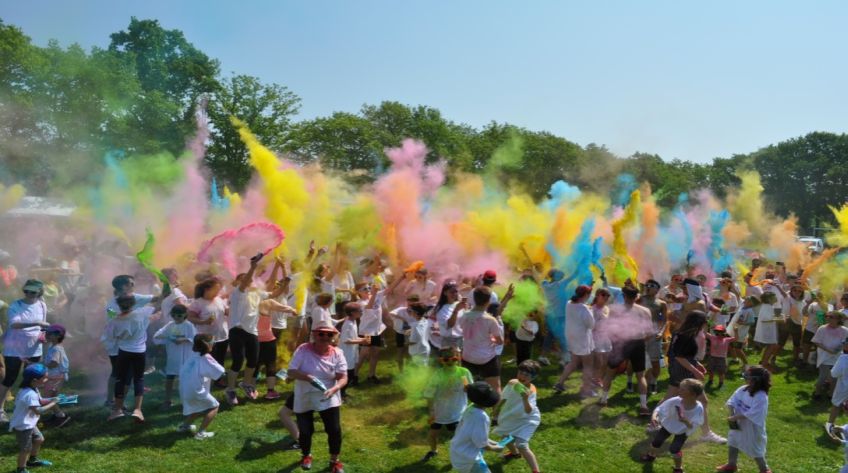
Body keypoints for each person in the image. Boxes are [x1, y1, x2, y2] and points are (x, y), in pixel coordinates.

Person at [287, 320, 348, 473]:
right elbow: (291, 371)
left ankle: (335, 461)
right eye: (321, 333)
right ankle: (306, 455)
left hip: (328, 395)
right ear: (314, 335)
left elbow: (343, 377)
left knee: (334, 430)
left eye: (329, 334)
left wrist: (336, 388)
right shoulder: (303, 349)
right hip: (305, 394)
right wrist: (308, 377)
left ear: (333, 337)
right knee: (306, 430)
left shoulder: (337, 353)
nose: (325, 337)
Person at [0, 279, 49, 423]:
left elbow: (43, 326)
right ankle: (0, 411)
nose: (29, 294)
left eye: (33, 292)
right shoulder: (16, 305)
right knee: (9, 379)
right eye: (26, 291)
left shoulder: (42, 305)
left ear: (39, 292)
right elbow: (14, 324)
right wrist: (37, 323)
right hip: (14, 348)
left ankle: (29, 407)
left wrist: (43, 335)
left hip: (34, 348)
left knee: (32, 380)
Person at [107, 294, 161, 422]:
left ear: (119, 306)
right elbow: (158, 305)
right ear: (134, 304)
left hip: (124, 352)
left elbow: (112, 335)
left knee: (121, 379)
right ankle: (138, 410)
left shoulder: (114, 319)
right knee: (138, 379)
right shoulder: (142, 313)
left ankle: (118, 409)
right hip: (140, 352)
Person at [599, 286, 653, 415]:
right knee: (640, 376)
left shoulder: (615, 310)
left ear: (623, 295)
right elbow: (650, 332)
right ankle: (644, 406)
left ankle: (603, 399)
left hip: (621, 343)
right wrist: (641, 341)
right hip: (638, 343)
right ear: (637, 296)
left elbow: (610, 329)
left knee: (610, 372)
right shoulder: (645, 311)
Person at [716, 365, 772, 473]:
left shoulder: (761, 396)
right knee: (733, 442)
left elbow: (754, 413)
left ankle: (764, 469)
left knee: (755, 448)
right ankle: (731, 464)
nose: (745, 377)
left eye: (747, 376)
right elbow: (732, 401)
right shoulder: (742, 389)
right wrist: (732, 414)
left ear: (755, 380)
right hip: (738, 423)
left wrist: (736, 417)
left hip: (752, 427)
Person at [421, 347, 474, 462]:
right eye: (446, 360)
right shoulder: (438, 374)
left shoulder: (463, 372)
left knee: (458, 436)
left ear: (458, 359)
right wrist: (431, 411)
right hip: (440, 412)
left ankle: (463, 453)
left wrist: (467, 388)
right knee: (432, 434)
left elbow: (469, 389)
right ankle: (433, 451)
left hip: (457, 411)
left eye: (453, 359)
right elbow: (429, 394)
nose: (450, 362)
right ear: (441, 360)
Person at [641, 378, 705, 473]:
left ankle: (678, 468)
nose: (679, 390)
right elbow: (659, 409)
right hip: (668, 426)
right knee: (656, 442)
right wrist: (654, 417)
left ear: (693, 394)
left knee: (674, 450)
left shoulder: (698, 408)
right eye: (680, 388)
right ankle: (651, 455)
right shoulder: (676, 400)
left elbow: (693, 426)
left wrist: (685, 421)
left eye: (683, 389)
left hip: (682, 431)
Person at [452, 285, 505, 393]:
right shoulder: (490, 320)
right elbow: (500, 341)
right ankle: (497, 410)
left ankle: (465, 407)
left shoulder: (463, 316)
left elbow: (463, 330)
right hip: (487, 358)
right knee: (496, 387)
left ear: (474, 299)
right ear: (489, 301)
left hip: (467, 357)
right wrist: (492, 339)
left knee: (466, 387)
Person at [493, 360, 542, 473]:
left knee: (522, 444)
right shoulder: (512, 383)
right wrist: (497, 409)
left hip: (528, 419)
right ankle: (514, 454)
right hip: (512, 416)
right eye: (520, 372)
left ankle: (535, 471)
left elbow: (529, 410)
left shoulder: (531, 391)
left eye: (526, 375)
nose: (522, 376)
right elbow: (504, 397)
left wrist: (525, 399)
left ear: (533, 377)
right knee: (506, 437)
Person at [10, 364, 58, 473]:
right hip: (22, 425)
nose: (46, 379)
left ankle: (32, 460)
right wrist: (53, 403)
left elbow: (40, 401)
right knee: (25, 448)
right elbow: (38, 410)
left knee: (39, 439)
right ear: (35, 380)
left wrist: (52, 399)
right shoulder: (29, 394)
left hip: (30, 423)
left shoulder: (33, 388)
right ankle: (21, 469)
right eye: (45, 378)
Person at [178, 334, 226, 439]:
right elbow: (220, 371)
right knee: (214, 406)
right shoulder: (207, 358)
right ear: (209, 344)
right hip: (196, 390)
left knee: (197, 407)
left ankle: (184, 426)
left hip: (184, 389)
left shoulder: (192, 355)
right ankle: (201, 433)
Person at [449, 381, 503, 473]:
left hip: (459, 451)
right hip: (469, 457)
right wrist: (495, 448)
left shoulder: (471, 408)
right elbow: (481, 443)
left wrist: (491, 442)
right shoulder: (481, 417)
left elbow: (472, 433)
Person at [555, 285, 596, 397]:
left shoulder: (569, 303)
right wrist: (591, 311)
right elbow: (591, 325)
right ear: (586, 295)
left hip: (571, 336)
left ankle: (560, 383)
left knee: (573, 362)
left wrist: (588, 308)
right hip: (582, 338)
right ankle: (586, 390)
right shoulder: (585, 309)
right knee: (588, 365)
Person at [153, 304, 197, 407]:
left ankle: (188, 401)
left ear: (185, 315)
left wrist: (185, 339)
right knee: (170, 378)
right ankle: (167, 400)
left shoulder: (188, 325)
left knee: (187, 381)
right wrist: (166, 337)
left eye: (179, 316)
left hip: (186, 356)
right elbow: (157, 336)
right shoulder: (170, 325)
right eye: (174, 315)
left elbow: (195, 338)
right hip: (173, 357)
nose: (176, 318)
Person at [188, 277, 229, 369]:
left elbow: (226, 312)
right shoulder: (198, 303)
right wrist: (204, 322)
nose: (218, 292)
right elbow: (190, 317)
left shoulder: (219, 300)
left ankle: (218, 380)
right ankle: (207, 380)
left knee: (220, 360)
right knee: (208, 361)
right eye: (216, 289)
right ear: (207, 289)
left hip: (222, 336)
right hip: (206, 339)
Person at [811, 312, 848, 400]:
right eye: (827, 316)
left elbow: (846, 343)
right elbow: (816, 341)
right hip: (824, 356)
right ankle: (817, 393)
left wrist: (838, 349)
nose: (828, 318)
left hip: (837, 357)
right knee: (822, 376)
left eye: (831, 317)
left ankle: (830, 394)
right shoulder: (822, 328)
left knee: (834, 377)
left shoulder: (845, 330)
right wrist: (828, 350)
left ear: (838, 319)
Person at [642, 280, 669, 395]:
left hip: (654, 335)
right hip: (640, 334)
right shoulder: (640, 299)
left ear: (657, 289)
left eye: (651, 286)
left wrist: (661, 332)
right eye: (646, 285)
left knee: (655, 361)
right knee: (637, 361)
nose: (648, 287)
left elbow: (664, 320)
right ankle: (633, 381)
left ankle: (653, 382)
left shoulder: (661, 303)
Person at [338, 302, 369, 399]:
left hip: (352, 351)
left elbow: (354, 337)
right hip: (346, 352)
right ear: (352, 313)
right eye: (359, 311)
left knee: (350, 374)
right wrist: (362, 341)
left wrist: (362, 340)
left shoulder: (354, 321)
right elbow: (346, 340)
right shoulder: (348, 324)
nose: (361, 313)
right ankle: (340, 393)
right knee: (348, 374)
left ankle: (342, 393)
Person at [42, 324, 70, 427]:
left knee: (47, 398)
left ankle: (61, 416)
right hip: (55, 376)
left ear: (58, 336)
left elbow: (55, 363)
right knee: (51, 397)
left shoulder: (56, 349)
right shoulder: (53, 346)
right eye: (47, 333)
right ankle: (57, 415)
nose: (47, 335)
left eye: (50, 333)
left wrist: (43, 365)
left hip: (56, 377)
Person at [826, 334, 848, 437]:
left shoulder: (843, 358)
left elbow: (834, 373)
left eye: (844, 344)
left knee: (836, 405)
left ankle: (830, 425)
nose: (843, 345)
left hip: (844, 386)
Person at [754, 292, 780, 371]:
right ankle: (764, 364)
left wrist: (777, 317)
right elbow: (765, 319)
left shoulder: (768, 306)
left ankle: (764, 362)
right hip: (767, 330)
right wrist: (779, 319)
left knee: (771, 346)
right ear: (769, 299)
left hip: (767, 329)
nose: (776, 297)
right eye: (774, 296)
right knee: (771, 346)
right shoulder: (768, 307)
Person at [705, 325, 735, 389]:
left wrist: (736, 331)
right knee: (711, 370)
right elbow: (704, 332)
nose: (719, 334)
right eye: (717, 332)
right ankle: (710, 381)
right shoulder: (712, 337)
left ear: (724, 332)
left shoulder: (727, 339)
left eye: (720, 332)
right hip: (712, 357)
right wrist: (707, 325)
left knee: (721, 372)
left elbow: (736, 338)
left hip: (722, 358)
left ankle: (721, 383)